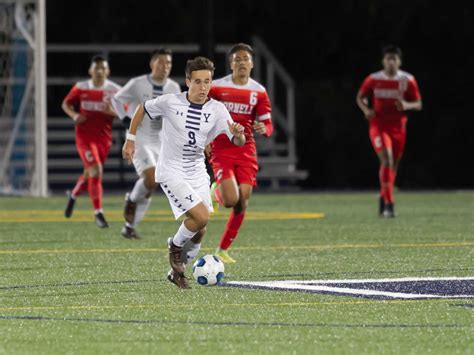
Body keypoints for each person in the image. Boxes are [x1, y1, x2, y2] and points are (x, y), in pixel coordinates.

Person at [122, 57, 245, 289]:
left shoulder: (217, 110)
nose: (203, 87)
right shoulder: (171, 102)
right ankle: (175, 247)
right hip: (171, 171)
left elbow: (238, 140)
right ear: (188, 81)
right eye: (197, 81)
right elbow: (142, 109)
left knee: (200, 228)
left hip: (197, 171)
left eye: (207, 82)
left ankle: (176, 272)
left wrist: (238, 133)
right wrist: (130, 140)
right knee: (201, 217)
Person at [207, 43, 273, 263]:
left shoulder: (259, 91)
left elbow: (268, 124)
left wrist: (266, 129)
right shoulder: (216, 88)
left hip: (246, 149)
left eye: (245, 58)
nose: (242, 62)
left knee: (242, 202)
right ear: (231, 63)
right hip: (222, 147)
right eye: (237, 59)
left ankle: (222, 250)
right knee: (229, 200)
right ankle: (215, 191)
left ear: (252, 63)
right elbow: (203, 114)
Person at [112, 48, 181, 239]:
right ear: (152, 64)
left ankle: (129, 226)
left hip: (160, 141)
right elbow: (116, 100)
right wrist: (125, 118)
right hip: (139, 138)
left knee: (152, 184)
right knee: (151, 178)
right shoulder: (137, 84)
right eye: (161, 62)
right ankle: (132, 200)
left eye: (168, 63)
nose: (165, 66)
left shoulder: (174, 88)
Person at [356, 45, 422, 217]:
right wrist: (366, 110)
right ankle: (389, 205)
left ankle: (383, 196)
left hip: (398, 126)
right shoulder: (373, 79)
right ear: (383, 61)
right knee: (387, 160)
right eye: (388, 58)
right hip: (378, 126)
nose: (391, 62)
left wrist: (406, 105)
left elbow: (418, 103)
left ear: (399, 61)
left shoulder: (408, 80)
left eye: (394, 58)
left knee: (394, 165)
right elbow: (360, 96)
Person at [62, 55, 121, 228]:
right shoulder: (81, 88)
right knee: (96, 170)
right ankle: (98, 213)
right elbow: (65, 104)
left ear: (108, 71)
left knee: (90, 173)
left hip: (104, 139)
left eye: (103, 68)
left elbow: (125, 112)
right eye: (97, 68)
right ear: (90, 71)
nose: (100, 71)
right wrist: (74, 115)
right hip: (85, 138)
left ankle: (73, 195)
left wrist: (113, 112)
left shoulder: (115, 90)